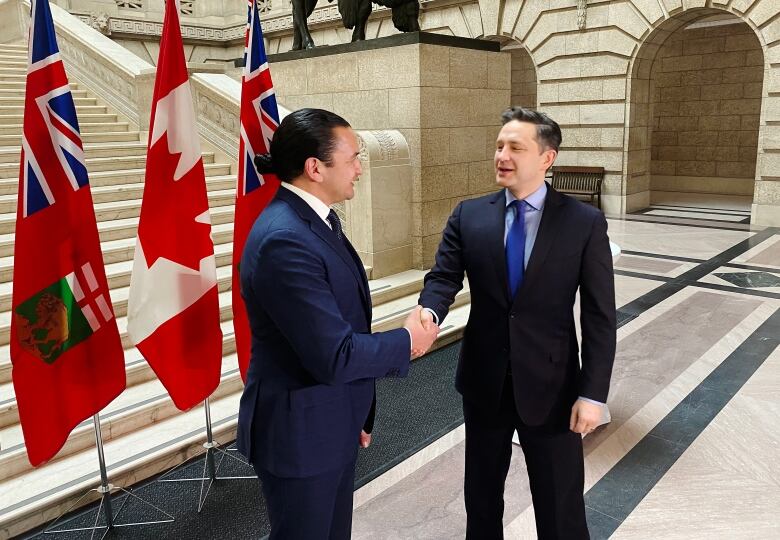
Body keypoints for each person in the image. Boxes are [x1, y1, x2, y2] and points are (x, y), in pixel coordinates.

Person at [236, 108, 439, 540]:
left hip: (331, 422)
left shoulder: (318, 220)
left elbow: (343, 324)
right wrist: (409, 340)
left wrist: (358, 414)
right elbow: (336, 353)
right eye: (352, 158)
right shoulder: (284, 239)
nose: (360, 169)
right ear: (315, 168)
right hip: (300, 438)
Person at [418, 107, 616, 539]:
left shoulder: (583, 223)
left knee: (559, 502)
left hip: (554, 386)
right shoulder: (469, 215)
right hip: (484, 383)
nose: (501, 155)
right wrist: (430, 312)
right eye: (499, 145)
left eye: (515, 147)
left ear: (547, 158)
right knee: (482, 498)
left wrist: (593, 393)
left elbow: (600, 316)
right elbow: (444, 277)